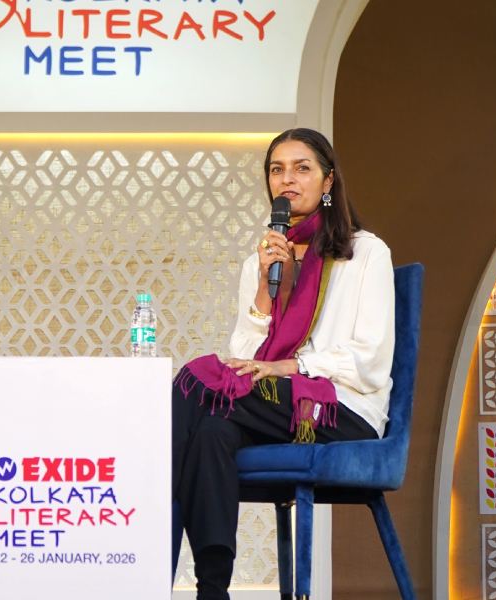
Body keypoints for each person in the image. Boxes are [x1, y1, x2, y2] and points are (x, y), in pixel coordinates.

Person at [171, 128, 394, 600]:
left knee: (194, 383)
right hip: (270, 404)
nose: (287, 180)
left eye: (301, 168)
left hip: (341, 410)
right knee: (210, 432)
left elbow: (370, 358)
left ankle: (149, 540)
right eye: (276, 170)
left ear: (328, 181)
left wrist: (292, 368)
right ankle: (212, 589)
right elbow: (246, 361)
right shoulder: (264, 258)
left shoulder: (365, 253)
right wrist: (263, 293)